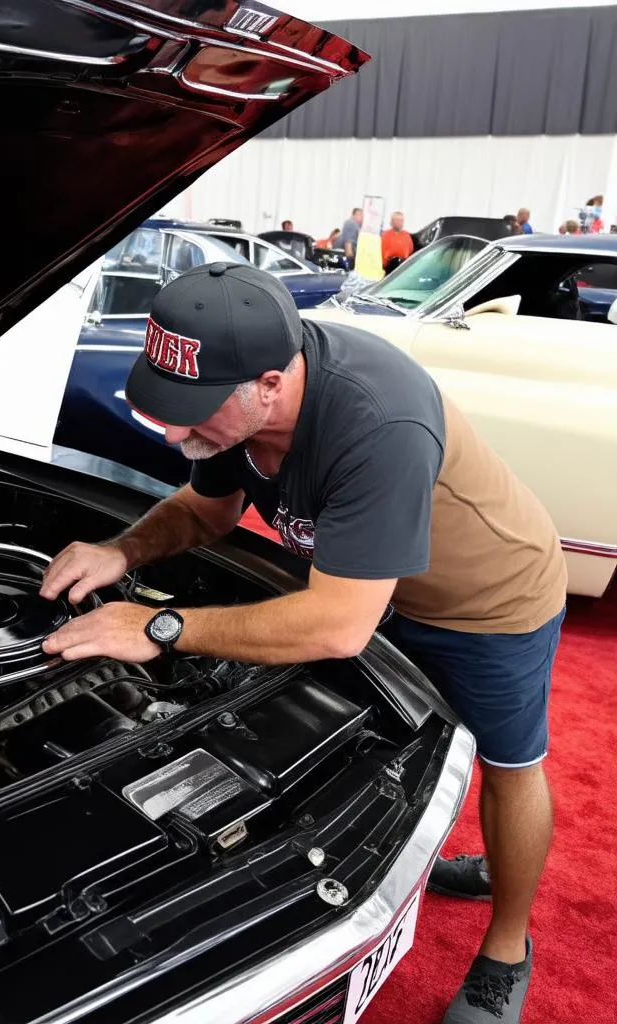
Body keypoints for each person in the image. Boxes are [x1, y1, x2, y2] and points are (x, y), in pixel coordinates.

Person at [41, 263, 566, 1024]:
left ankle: (507, 949)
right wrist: (123, 551)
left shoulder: (376, 419)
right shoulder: (230, 400)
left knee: (511, 766)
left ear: (270, 384)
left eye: (190, 413)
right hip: (366, 583)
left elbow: (336, 624)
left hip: (488, 600)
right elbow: (207, 509)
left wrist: (160, 626)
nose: (173, 431)